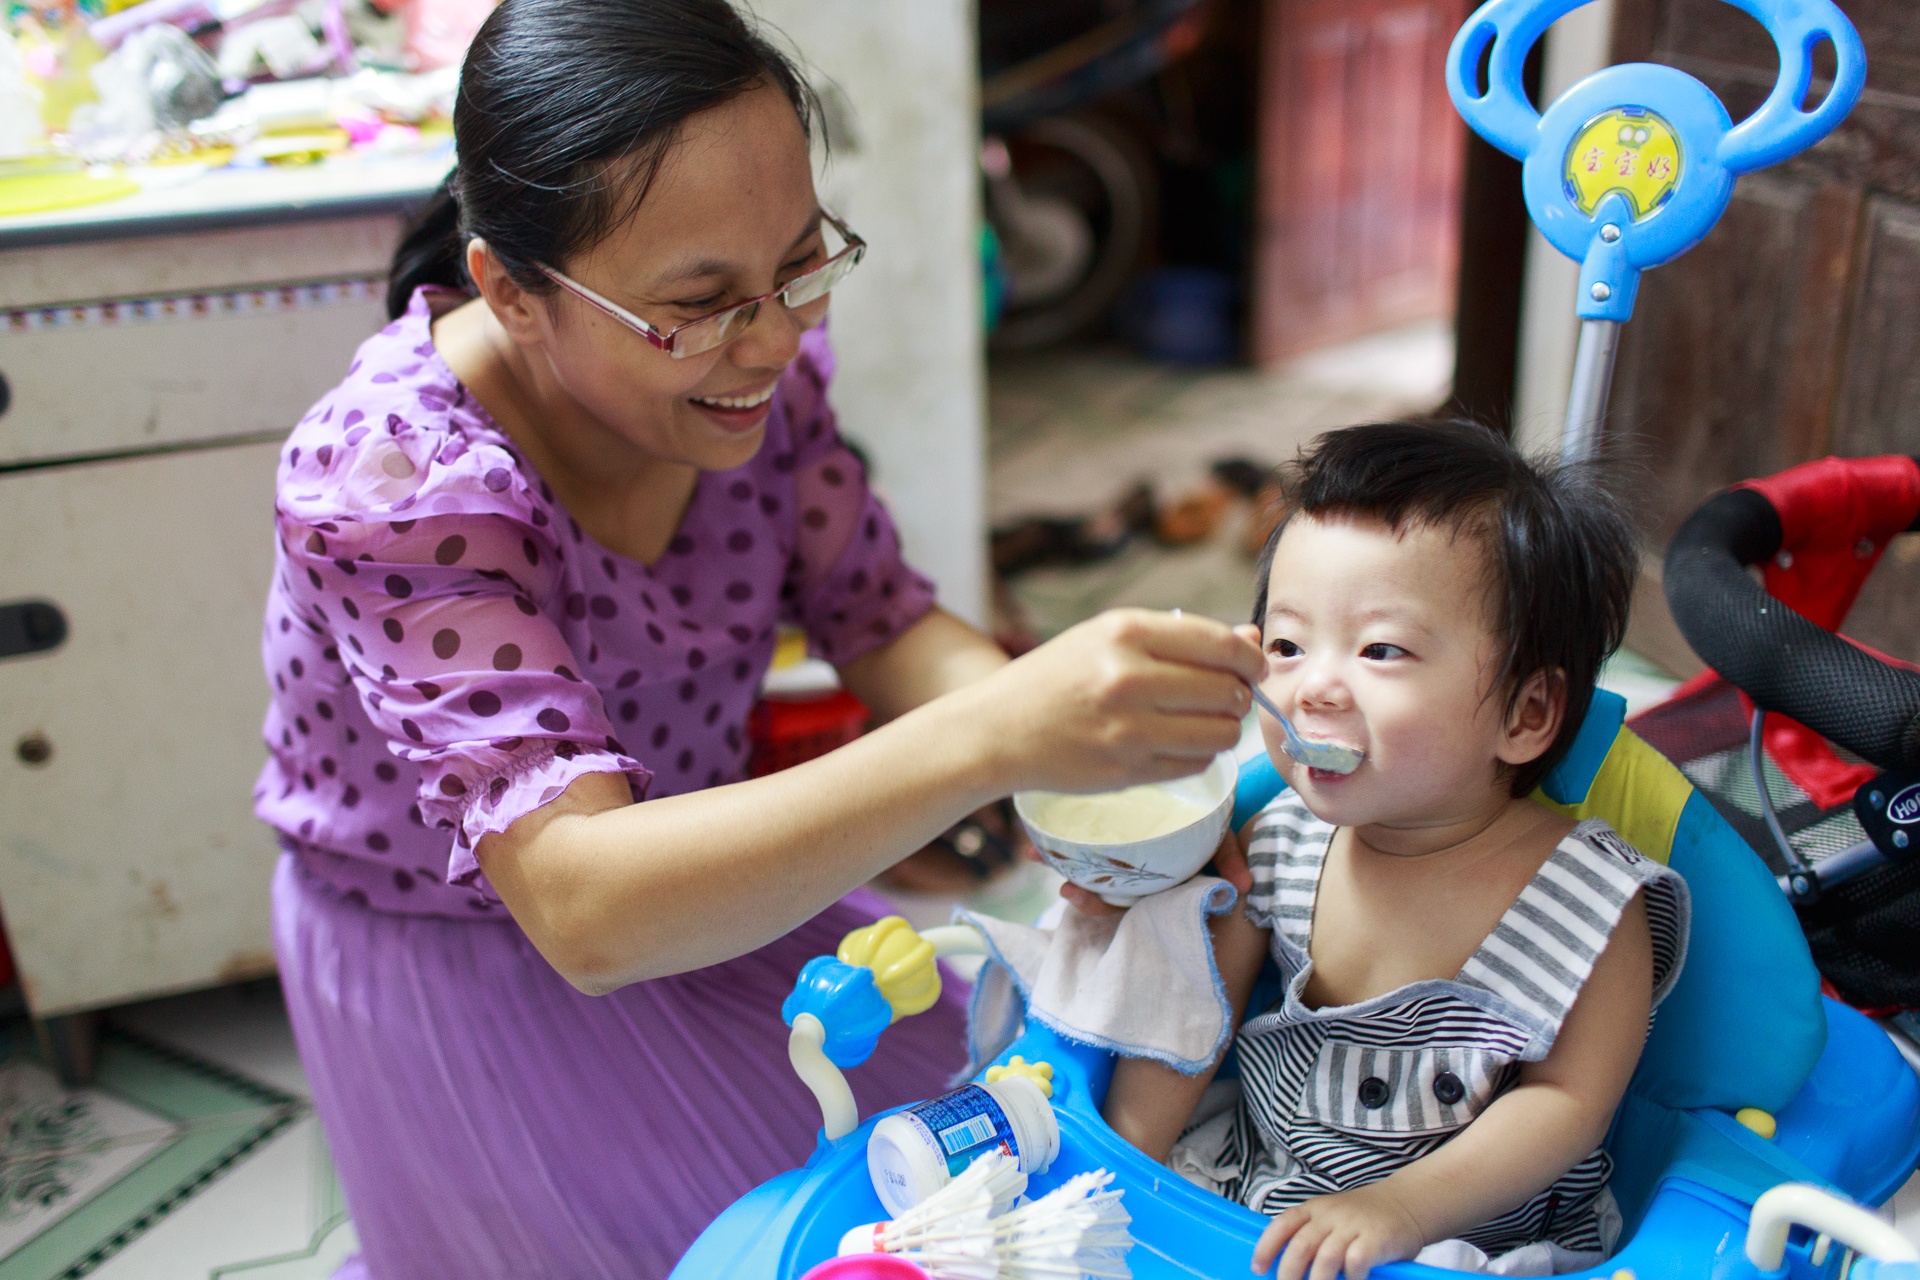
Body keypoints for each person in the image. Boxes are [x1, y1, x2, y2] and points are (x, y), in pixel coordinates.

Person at [253, 2, 1265, 1275]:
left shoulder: (747, 385)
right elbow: (584, 904)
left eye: (800, 264)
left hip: (711, 884)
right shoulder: (397, 481)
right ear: (511, 289)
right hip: (477, 958)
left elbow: (881, 616)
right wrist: (997, 731)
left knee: (987, 1156)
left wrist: (1096, 769)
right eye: (701, 302)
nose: (779, 338)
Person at [1099, 423, 1689, 1280]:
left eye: (1380, 650)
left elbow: (1569, 1107)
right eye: (1287, 646)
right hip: (1256, 1198)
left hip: (1466, 1244)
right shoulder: (1281, 843)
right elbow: (1190, 1019)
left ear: (1525, 714)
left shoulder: (1591, 903)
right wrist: (1126, 1158)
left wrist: (1400, 1210)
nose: (1313, 686)